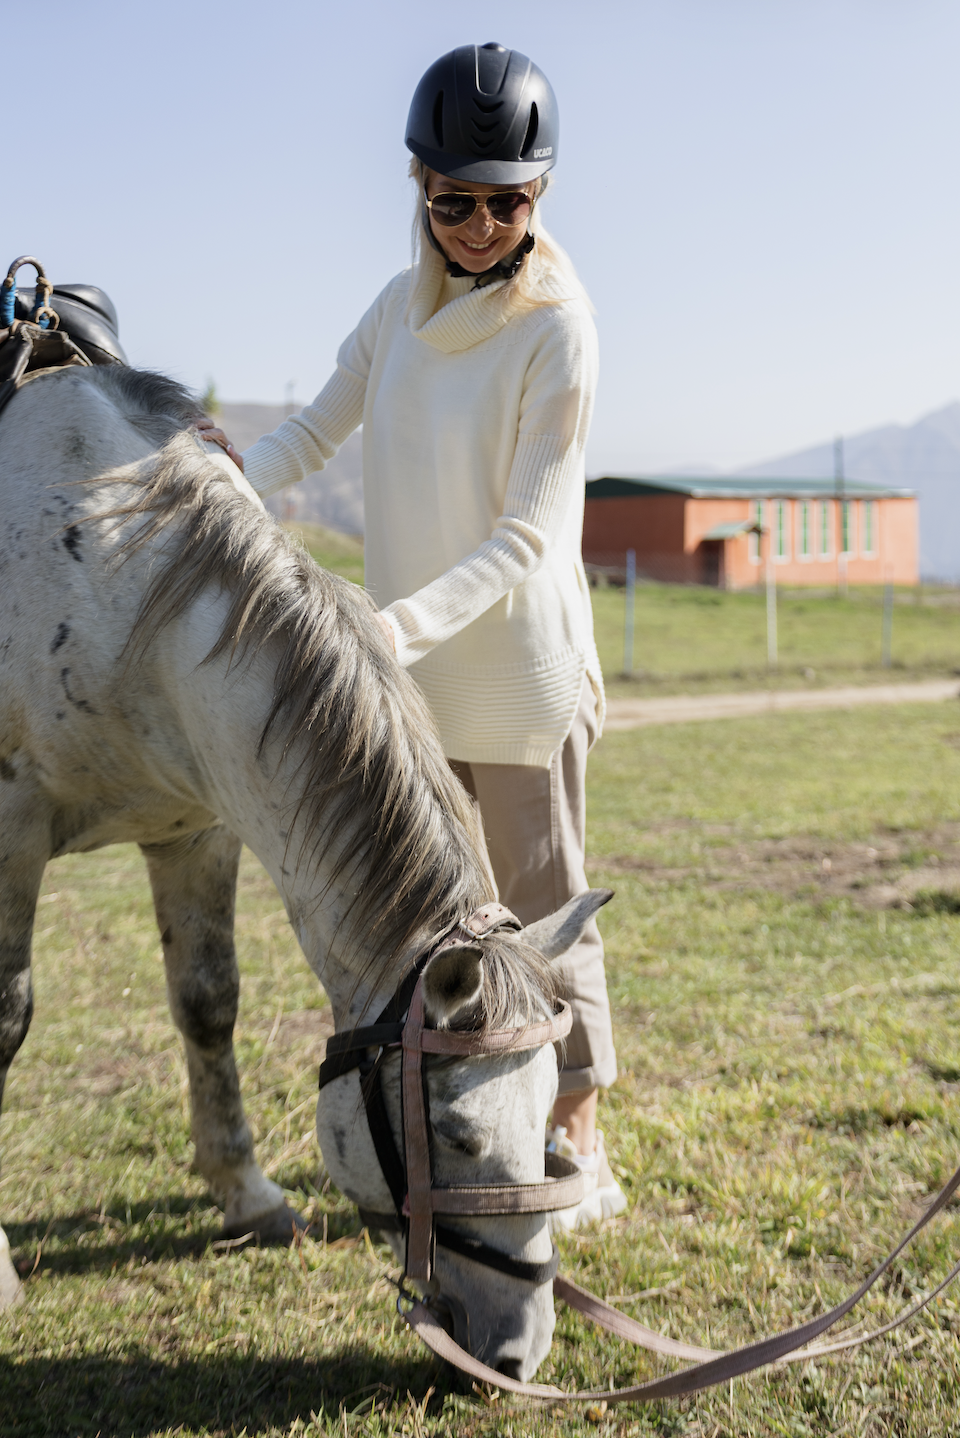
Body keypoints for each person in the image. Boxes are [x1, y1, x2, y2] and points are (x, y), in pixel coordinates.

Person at [201, 42, 625, 1228]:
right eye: (457, 200)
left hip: (522, 674)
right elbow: (309, 436)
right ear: (416, 184)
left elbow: (531, 534)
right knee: (446, 917)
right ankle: (464, 1113)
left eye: (509, 201)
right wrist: (225, 480)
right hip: (416, 677)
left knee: (543, 904)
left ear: (540, 194)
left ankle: (581, 1127)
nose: (483, 224)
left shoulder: (561, 331)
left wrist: (388, 625)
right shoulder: (395, 312)